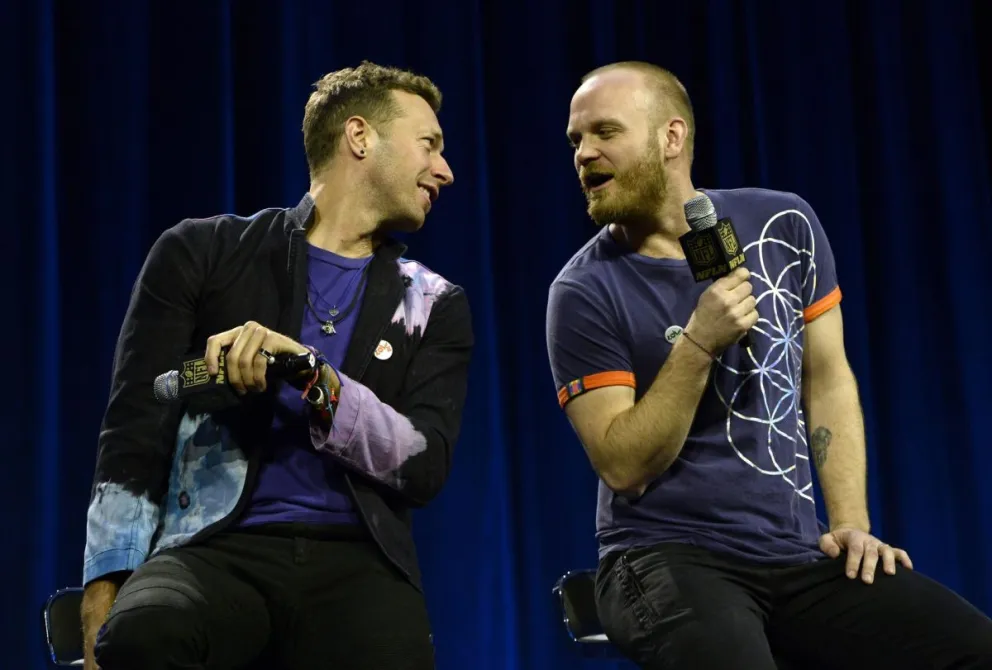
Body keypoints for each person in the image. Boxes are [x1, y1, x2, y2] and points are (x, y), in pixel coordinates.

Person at [545, 60, 992, 669]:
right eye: (576, 140)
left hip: (794, 556)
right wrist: (698, 344)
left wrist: (851, 523)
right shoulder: (582, 291)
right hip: (663, 556)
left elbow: (826, 378)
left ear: (671, 137)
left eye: (605, 132)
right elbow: (623, 466)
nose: (584, 154)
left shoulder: (783, 225)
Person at [80, 60, 473, 670]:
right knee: (143, 634)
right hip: (213, 549)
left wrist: (313, 374)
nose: (445, 170)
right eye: (430, 144)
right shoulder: (201, 252)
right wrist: (103, 595)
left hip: (356, 560)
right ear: (360, 137)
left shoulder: (433, 303)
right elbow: (135, 426)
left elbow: (423, 464)